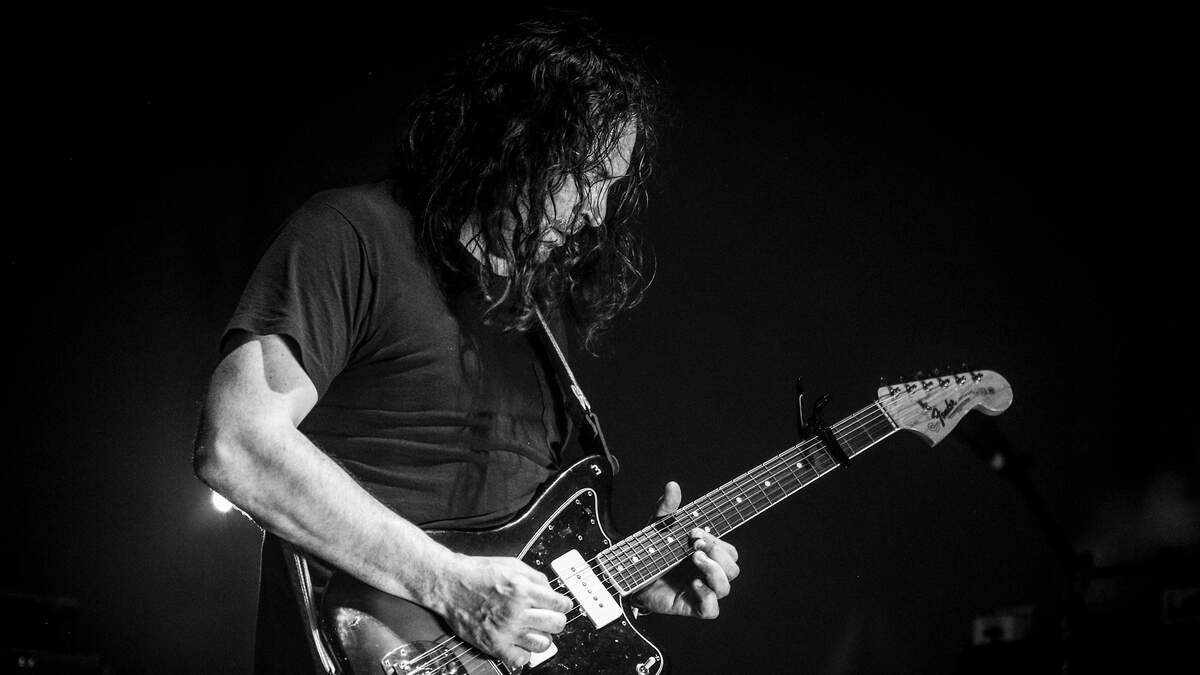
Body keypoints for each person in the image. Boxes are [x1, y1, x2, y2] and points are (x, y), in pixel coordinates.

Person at [193, 16, 740, 673]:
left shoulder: (536, 319)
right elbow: (237, 443)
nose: (596, 212)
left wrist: (626, 584)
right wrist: (446, 583)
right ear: (518, 141)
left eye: (611, 187)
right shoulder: (351, 233)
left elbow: (517, 555)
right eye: (589, 175)